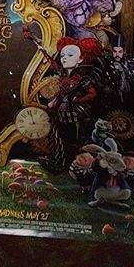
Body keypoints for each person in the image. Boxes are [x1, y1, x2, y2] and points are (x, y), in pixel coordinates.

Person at [26, 31, 102, 173]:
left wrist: (78, 100)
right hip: (58, 112)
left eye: (70, 55)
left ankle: (72, 164)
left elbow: (93, 93)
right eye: (62, 56)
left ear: (81, 59)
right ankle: (58, 162)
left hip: (73, 115)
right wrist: (36, 43)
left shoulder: (81, 78)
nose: (64, 58)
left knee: (72, 140)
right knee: (57, 138)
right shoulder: (61, 73)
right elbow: (51, 61)